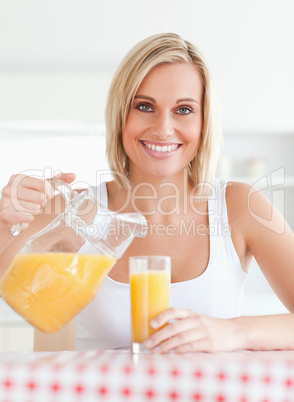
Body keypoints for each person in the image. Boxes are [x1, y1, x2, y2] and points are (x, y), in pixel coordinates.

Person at [0, 32, 294, 353]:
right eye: (144, 106)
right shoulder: (78, 211)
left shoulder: (240, 206)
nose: (163, 129)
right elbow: (12, 289)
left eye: (183, 110)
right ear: (121, 117)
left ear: (203, 122)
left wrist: (235, 333)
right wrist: (4, 223)